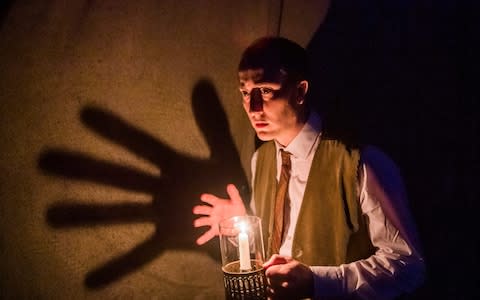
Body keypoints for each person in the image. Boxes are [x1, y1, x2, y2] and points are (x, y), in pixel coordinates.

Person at [193, 36, 425, 299]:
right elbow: (279, 251)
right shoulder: (262, 160)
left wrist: (317, 282)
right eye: (246, 93)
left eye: (266, 90)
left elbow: (408, 266)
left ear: (300, 91)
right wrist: (243, 229)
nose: (253, 108)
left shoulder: (362, 162)